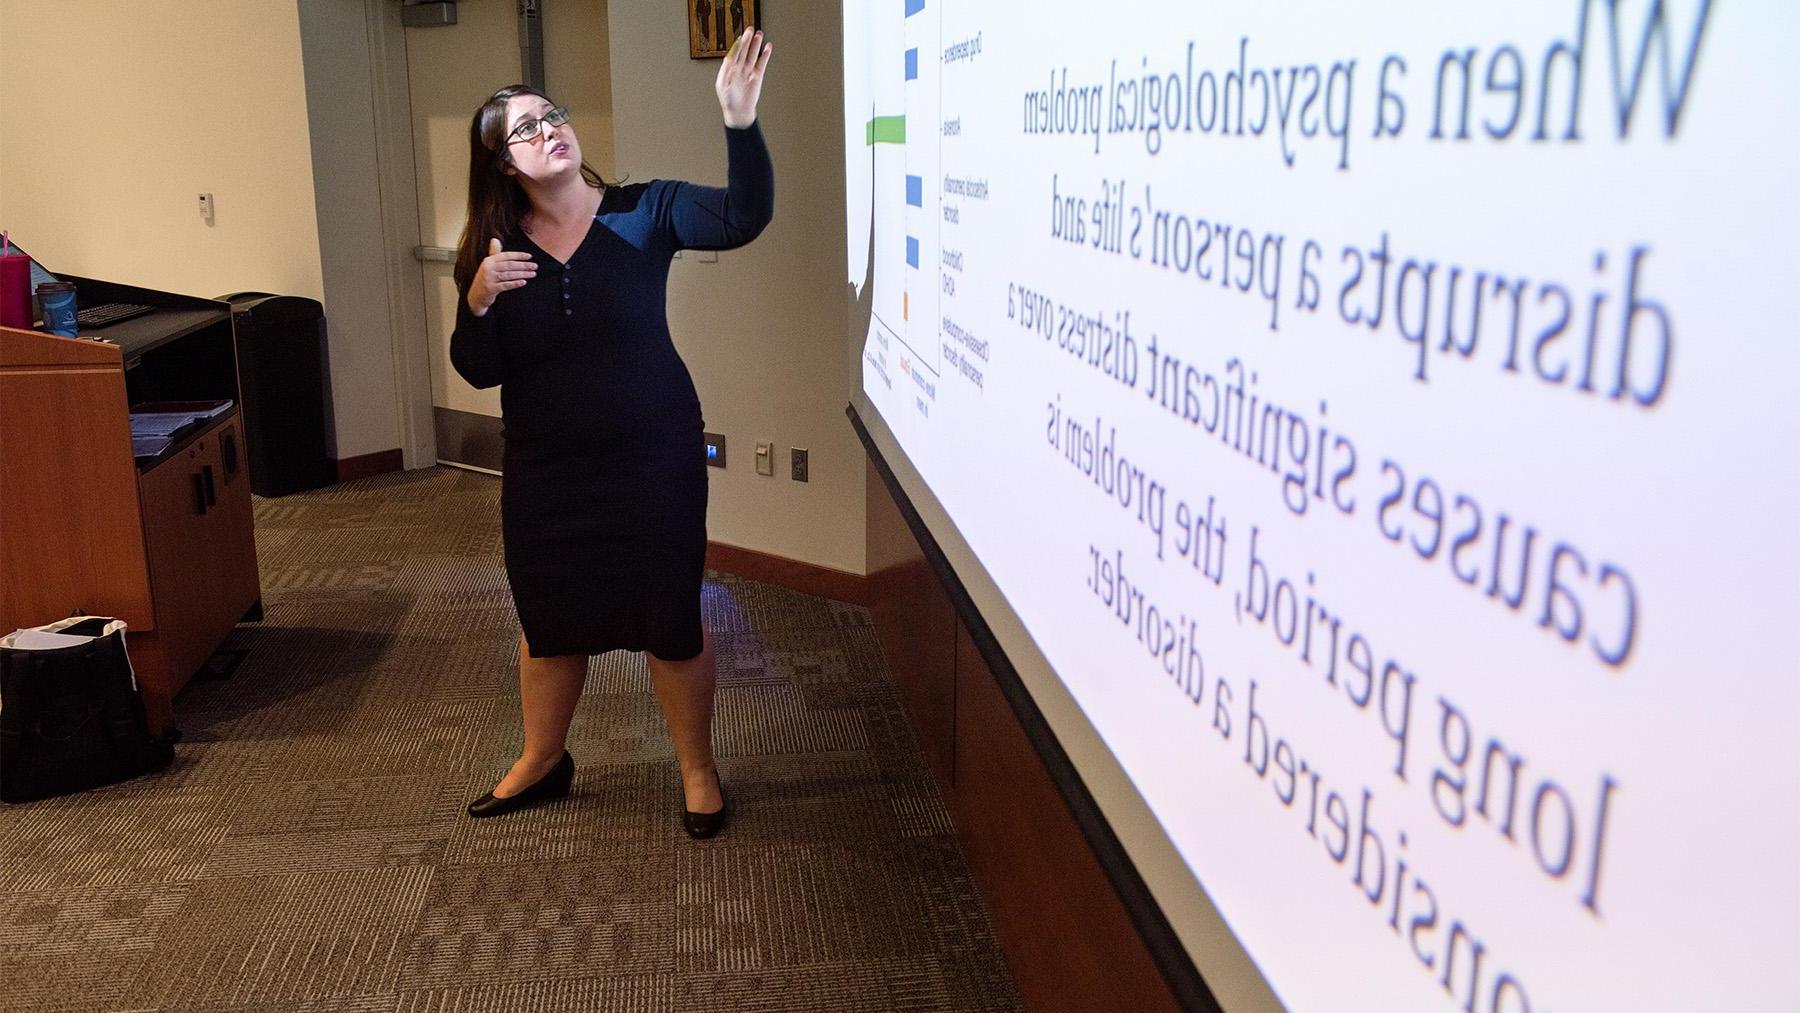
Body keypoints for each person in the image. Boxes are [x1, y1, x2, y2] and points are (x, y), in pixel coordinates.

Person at [449, 27, 774, 837]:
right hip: (546, 471)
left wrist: (739, 123)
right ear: (501, 163)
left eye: (551, 113)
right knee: (550, 621)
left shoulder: (645, 208)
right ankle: (541, 759)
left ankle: (698, 771)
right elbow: (478, 369)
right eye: (525, 127)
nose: (549, 127)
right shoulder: (492, 252)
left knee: (670, 617)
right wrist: (478, 299)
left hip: (652, 458)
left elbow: (742, 217)